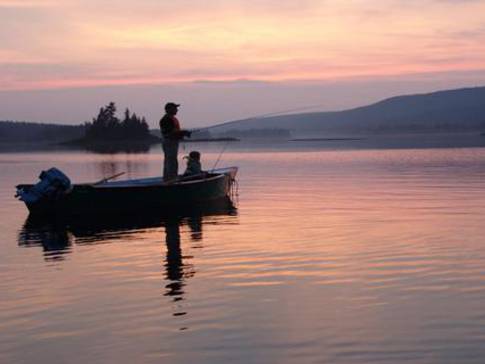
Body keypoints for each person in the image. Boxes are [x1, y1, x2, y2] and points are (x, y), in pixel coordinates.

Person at [159, 102, 191, 181]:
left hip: (172, 142)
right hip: (169, 142)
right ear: (169, 109)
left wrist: (182, 134)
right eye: (175, 108)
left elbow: (175, 132)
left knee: (171, 160)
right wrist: (184, 133)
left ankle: (168, 178)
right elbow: (170, 132)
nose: (177, 109)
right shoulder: (166, 119)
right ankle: (171, 179)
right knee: (171, 161)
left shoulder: (171, 118)